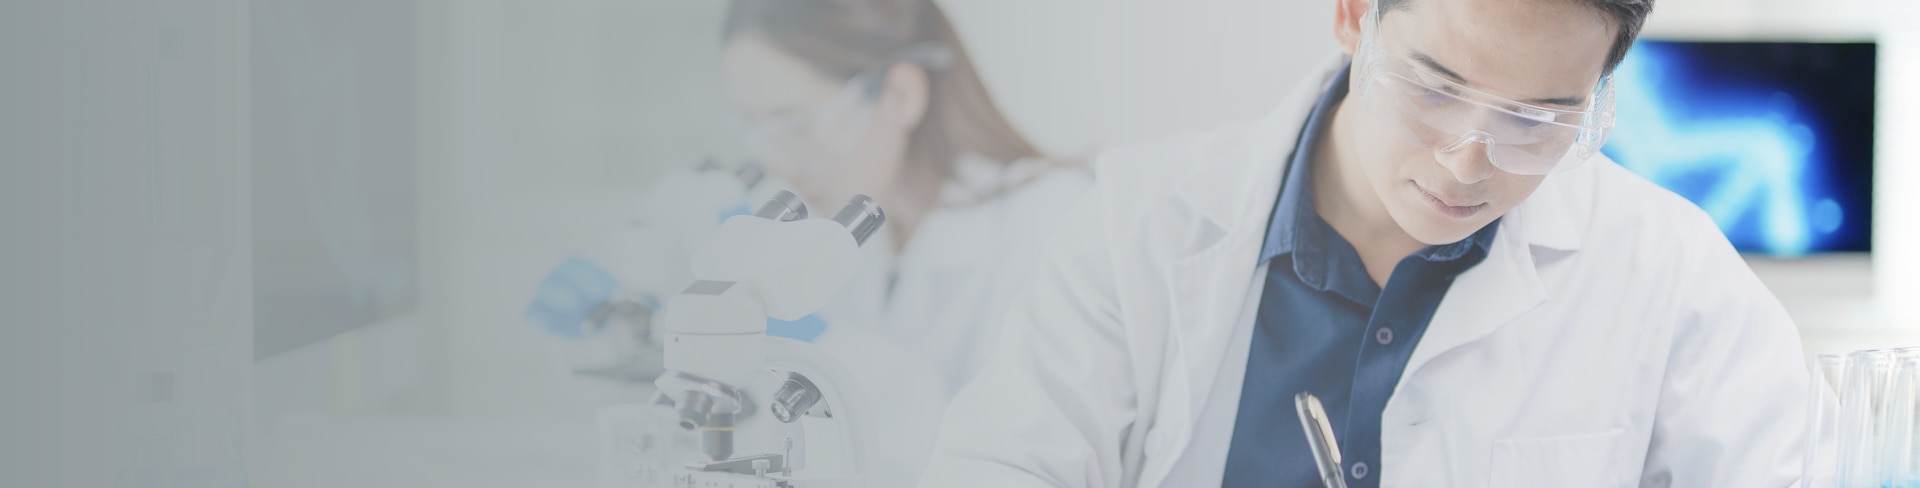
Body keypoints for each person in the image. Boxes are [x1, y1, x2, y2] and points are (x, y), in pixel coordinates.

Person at [919, 0, 1813, 486]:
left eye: (1538, 120)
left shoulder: (1670, 270)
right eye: (1434, 85)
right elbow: (1003, 463)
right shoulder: (1140, 221)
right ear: (1354, 18)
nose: (1469, 164)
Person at [719, 0, 1092, 484]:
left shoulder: (1051, 223)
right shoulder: (847, 230)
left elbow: (1015, 464)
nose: (779, 165)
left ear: (901, 94)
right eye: (759, 131)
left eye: (796, 125)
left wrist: (833, 352)